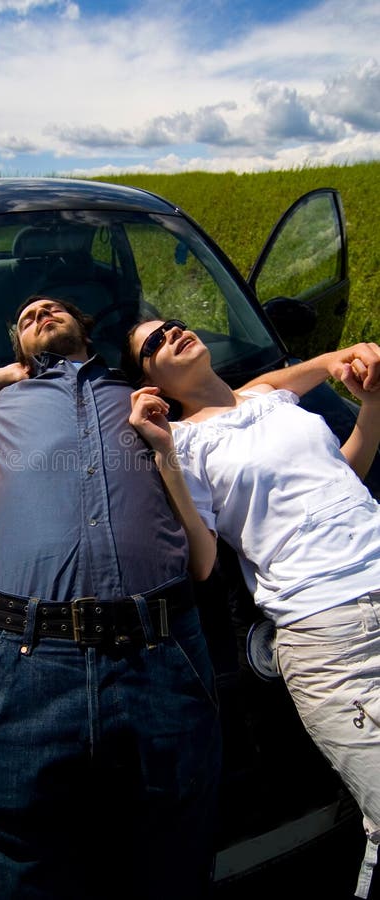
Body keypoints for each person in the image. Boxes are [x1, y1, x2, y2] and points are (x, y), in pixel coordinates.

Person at [0, 296, 222, 900]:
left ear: (85, 326)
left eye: (55, 307)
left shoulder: (141, 389)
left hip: (162, 652)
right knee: (16, 869)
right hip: (20, 660)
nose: (41, 310)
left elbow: (236, 393)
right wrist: (6, 374)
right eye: (25, 317)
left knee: (174, 864)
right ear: (18, 348)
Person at [124, 317, 380, 899]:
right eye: (154, 344)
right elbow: (204, 560)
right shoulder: (185, 442)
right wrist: (163, 455)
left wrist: (373, 404)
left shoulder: (267, 395)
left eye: (172, 325)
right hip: (330, 630)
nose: (171, 334)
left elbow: (346, 475)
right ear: (152, 382)